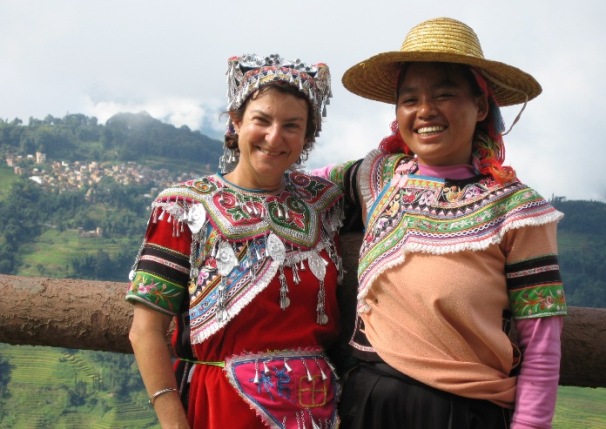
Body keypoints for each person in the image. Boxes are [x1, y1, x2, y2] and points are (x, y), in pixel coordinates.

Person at [323, 17, 567, 429]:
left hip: (465, 412)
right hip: (369, 401)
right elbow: (293, 187)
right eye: (409, 98)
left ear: (481, 105)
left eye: (444, 94)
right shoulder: (377, 178)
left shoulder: (518, 210)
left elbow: (541, 341)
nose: (424, 111)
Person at [126, 53, 344, 429]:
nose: (275, 137)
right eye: (262, 120)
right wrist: (174, 422)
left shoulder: (324, 203)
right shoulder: (184, 209)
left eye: (292, 125)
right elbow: (145, 329)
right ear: (237, 121)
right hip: (221, 408)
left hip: (316, 411)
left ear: (308, 136)